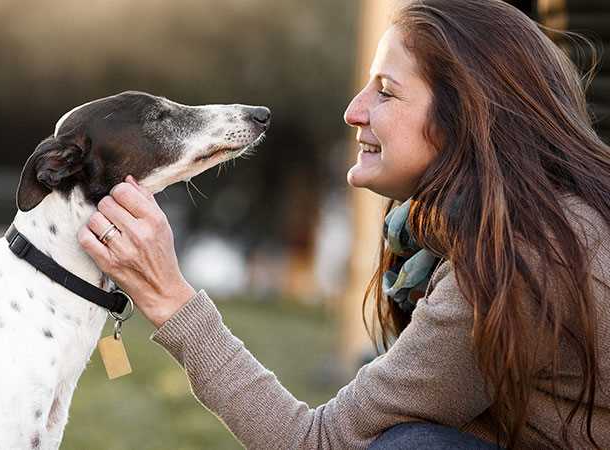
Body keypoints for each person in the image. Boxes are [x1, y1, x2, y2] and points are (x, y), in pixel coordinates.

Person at [77, 0, 610, 448]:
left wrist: (169, 298)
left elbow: (319, 443)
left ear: (467, 117)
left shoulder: (516, 260)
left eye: (386, 91)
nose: (354, 112)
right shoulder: (519, 226)